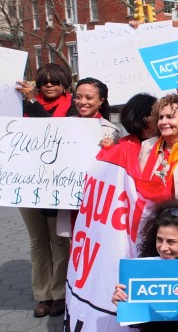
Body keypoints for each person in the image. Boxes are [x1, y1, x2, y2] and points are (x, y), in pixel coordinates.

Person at [14, 63, 76, 318]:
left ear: (65, 85)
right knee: (38, 242)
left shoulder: (73, 108)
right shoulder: (21, 106)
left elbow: (53, 131)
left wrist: (32, 103)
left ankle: (60, 293)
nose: (49, 85)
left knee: (59, 241)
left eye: (55, 81)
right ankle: (43, 295)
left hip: (57, 184)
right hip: (26, 181)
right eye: (44, 81)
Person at [111, 199, 178, 332]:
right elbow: (141, 322)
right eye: (159, 239)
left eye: (171, 242)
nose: (163, 248)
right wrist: (125, 304)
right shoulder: (145, 269)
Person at [74, 77, 121, 143]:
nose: (82, 102)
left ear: (101, 101)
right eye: (78, 97)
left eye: (88, 98)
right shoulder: (66, 125)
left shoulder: (110, 131)